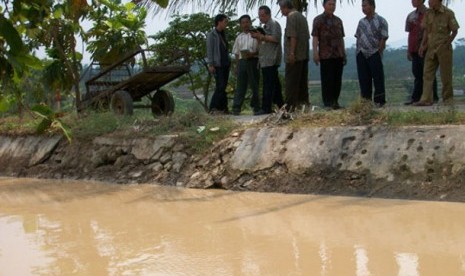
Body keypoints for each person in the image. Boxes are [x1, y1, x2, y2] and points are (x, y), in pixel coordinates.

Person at [413, 0, 459, 106]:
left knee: (445, 75)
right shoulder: (428, 13)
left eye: (432, 0)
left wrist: (448, 42)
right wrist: (423, 45)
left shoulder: (448, 13)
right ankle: (426, 99)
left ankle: (447, 99)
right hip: (430, 48)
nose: (429, 2)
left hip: (443, 48)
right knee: (427, 73)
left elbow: (455, 30)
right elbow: (426, 31)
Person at [311, 0, 346, 110]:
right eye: (330, 4)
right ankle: (328, 103)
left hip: (338, 54)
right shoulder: (318, 20)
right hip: (326, 55)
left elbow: (341, 38)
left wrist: (343, 53)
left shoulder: (338, 21)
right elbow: (315, 37)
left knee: (337, 80)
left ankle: (335, 102)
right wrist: (315, 52)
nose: (332, 6)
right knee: (327, 80)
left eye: (334, 4)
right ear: (324, 5)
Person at [250, 5, 284, 114]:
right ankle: (281, 105)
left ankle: (266, 108)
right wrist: (258, 37)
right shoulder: (264, 27)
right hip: (265, 59)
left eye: (263, 15)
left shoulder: (274, 24)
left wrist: (262, 37)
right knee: (274, 85)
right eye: (259, 16)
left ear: (268, 15)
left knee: (268, 85)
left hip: (271, 59)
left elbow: (276, 38)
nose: (261, 18)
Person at [354, 0, 388, 107]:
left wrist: (379, 52)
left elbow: (383, 37)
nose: (363, 8)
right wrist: (358, 51)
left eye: (365, 5)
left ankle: (379, 101)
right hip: (361, 53)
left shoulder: (381, 21)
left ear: (372, 6)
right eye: (362, 6)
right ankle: (365, 102)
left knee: (378, 78)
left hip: (374, 52)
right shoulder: (361, 22)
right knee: (364, 79)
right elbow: (358, 37)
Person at [278, 0, 310, 112]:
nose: (281, 12)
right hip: (303, 55)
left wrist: (291, 53)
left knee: (291, 84)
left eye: (281, 9)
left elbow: (293, 36)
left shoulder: (291, 17)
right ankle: (303, 106)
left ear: (285, 7)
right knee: (302, 84)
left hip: (294, 56)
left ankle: (290, 108)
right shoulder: (301, 17)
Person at [404, 0, 438, 105]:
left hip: (427, 48)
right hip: (415, 48)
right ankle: (416, 98)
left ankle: (433, 97)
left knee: (428, 73)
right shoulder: (411, 16)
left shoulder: (430, 14)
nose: (412, 1)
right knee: (417, 74)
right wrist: (409, 49)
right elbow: (410, 33)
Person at [231, 15, 260, 115]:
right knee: (240, 86)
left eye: (247, 22)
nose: (245, 24)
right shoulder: (239, 37)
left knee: (254, 85)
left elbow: (261, 50)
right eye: (243, 23)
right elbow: (236, 53)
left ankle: (256, 107)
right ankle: (236, 108)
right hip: (242, 61)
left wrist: (253, 54)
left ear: (250, 22)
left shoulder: (256, 34)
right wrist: (236, 67)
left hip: (253, 61)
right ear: (240, 25)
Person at [206, 14, 231, 114]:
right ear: (219, 22)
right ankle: (213, 107)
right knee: (220, 86)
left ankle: (223, 108)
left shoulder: (224, 34)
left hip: (225, 63)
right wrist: (211, 64)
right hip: (217, 64)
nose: (226, 24)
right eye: (225, 21)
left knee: (223, 87)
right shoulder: (212, 35)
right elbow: (210, 50)